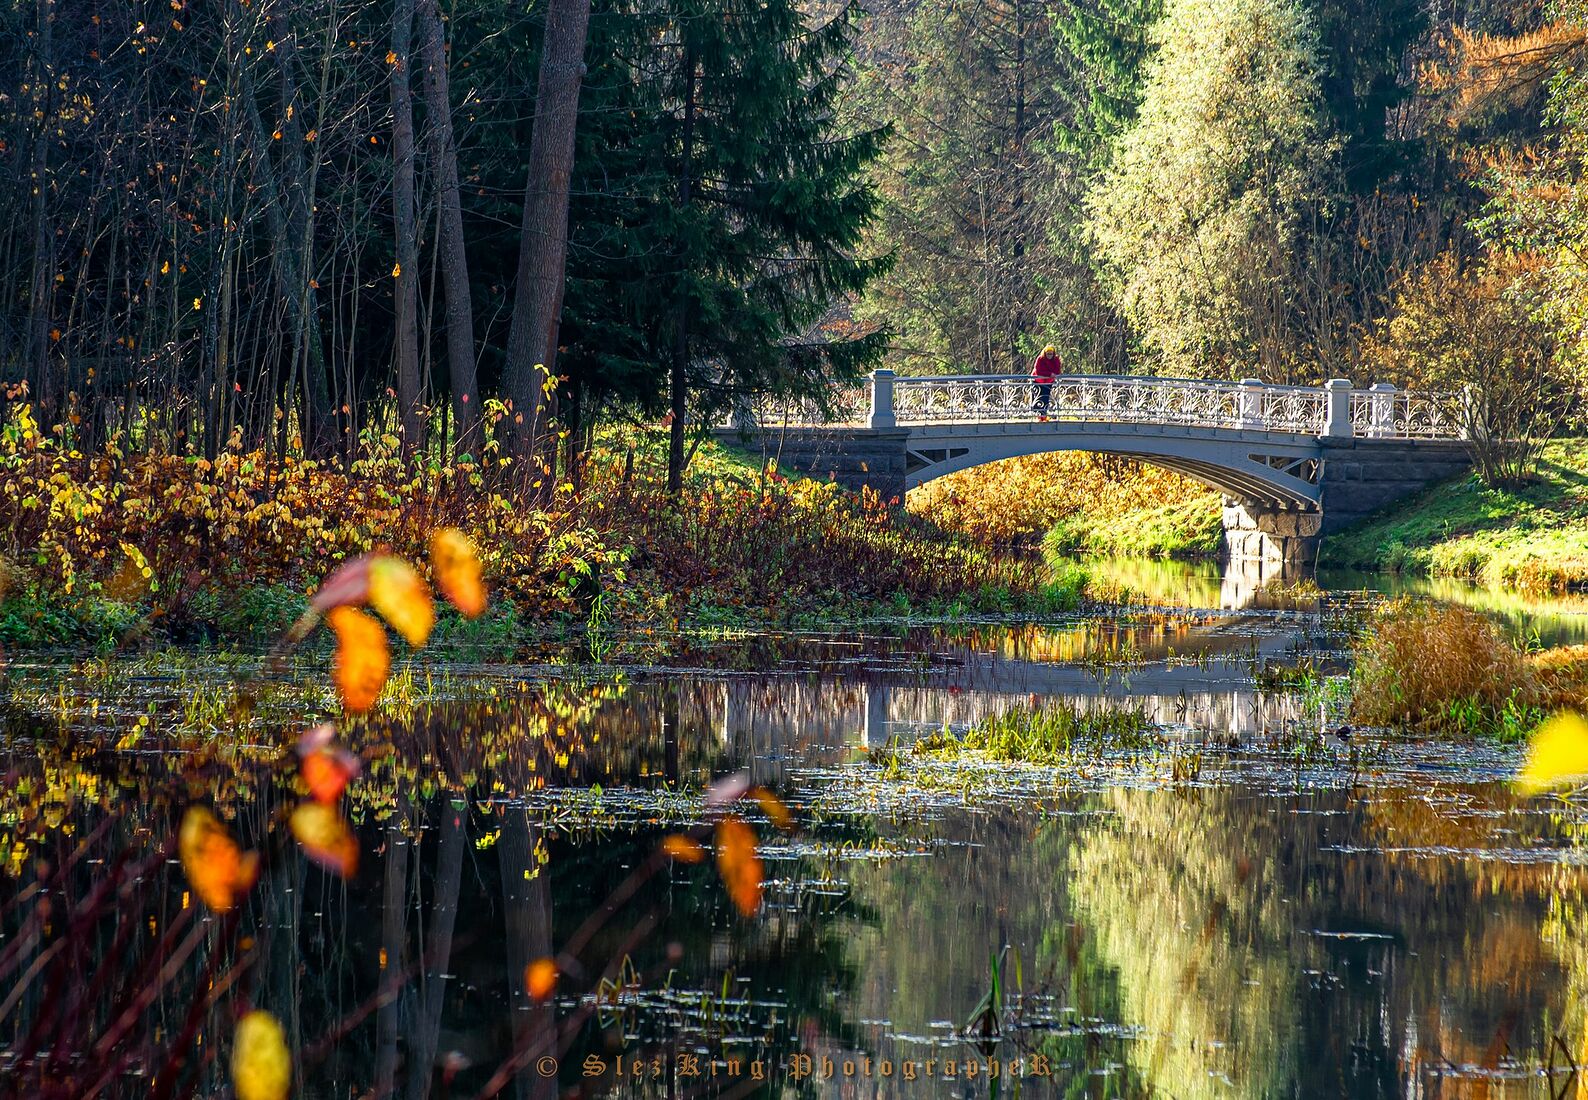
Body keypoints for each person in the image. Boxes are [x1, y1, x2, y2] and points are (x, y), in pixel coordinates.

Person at [1030, 344, 1064, 419]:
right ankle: (1037, 415)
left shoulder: (1056, 360)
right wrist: (1049, 374)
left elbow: (1057, 371)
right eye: (1048, 354)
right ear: (1045, 353)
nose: (1049, 355)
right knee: (1036, 398)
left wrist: (1052, 375)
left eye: (1051, 354)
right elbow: (1038, 371)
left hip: (1048, 382)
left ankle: (1043, 416)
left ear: (1053, 354)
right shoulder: (1040, 359)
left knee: (1045, 398)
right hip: (1037, 380)